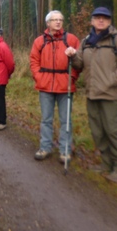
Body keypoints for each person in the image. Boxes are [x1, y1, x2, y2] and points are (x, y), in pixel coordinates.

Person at [65, 7, 117, 183]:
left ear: (110, 21)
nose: (101, 21)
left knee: (113, 130)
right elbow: (79, 64)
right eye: (97, 18)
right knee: (98, 131)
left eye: (105, 18)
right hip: (91, 93)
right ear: (92, 21)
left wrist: (110, 81)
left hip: (110, 94)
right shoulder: (86, 41)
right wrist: (72, 56)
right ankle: (105, 163)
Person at [30, 10, 80, 163]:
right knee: (46, 119)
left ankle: (65, 150)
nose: (58, 22)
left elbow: (79, 63)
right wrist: (39, 77)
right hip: (45, 86)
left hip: (65, 87)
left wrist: (71, 78)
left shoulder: (71, 39)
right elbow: (34, 61)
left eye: (60, 19)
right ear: (48, 23)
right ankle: (45, 147)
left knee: (66, 120)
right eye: (54, 20)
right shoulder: (40, 41)